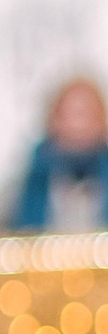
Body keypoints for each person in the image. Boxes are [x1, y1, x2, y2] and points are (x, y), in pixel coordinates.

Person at [9, 75, 108, 234]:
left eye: (85, 114)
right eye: (70, 115)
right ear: (54, 121)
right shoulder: (30, 178)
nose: (78, 126)